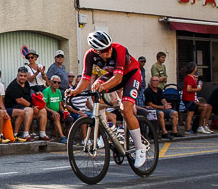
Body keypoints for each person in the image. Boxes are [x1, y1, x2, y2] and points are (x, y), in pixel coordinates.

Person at [67, 30, 149, 167]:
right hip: (112, 75)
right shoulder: (90, 56)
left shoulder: (119, 50)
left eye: (109, 48)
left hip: (130, 75)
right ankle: (109, 130)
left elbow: (118, 78)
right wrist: (74, 91)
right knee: (94, 88)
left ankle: (140, 148)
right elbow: (86, 79)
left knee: (125, 109)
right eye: (104, 50)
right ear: (96, 51)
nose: (108, 52)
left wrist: (103, 86)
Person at [3, 66, 35, 142]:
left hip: (22, 107)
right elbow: (20, 100)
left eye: (24, 76)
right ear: (17, 76)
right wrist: (31, 106)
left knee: (42, 111)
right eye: (21, 75)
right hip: (11, 107)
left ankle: (42, 133)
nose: (22, 78)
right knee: (29, 110)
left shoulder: (26, 83)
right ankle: (25, 134)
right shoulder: (13, 85)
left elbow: (28, 95)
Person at [181, 62, 212, 134]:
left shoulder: (188, 77)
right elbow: (188, 89)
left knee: (192, 112)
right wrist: (198, 89)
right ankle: (188, 129)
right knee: (190, 114)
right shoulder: (189, 78)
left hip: (189, 98)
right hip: (189, 98)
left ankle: (198, 126)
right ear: (194, 69)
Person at [41, 75, 67, 142]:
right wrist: (52, 111)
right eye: (55, 82)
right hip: (48, 112)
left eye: (58, 83)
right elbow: (44, 105)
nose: (57, 84)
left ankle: (69, 136)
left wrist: (63, 111)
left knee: (69, 118)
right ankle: (62, 136)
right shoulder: (46, 91)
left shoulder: (58, 91)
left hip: (57, 111)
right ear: (50, 82)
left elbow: (60, 105)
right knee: (56, 116)